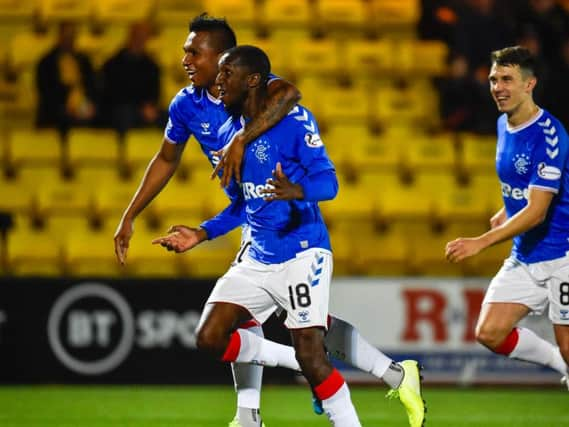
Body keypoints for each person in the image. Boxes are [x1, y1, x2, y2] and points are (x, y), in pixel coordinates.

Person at [114, 15, 425, 427]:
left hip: (297, 240)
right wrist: (139, 217)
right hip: (255, 227)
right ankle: (290, 396)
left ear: (231, 64)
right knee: (261, 333)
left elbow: (293, 103)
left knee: (309, 339)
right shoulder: (188, 104)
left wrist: (244, 141)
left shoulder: (267, 97)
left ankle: (269, 405)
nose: (185, 58)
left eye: (195, 51)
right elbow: (168, 159)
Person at [155, 44, 362, 427]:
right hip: (257, 258)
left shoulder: (295, 121)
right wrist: (201, 233)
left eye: (225, 75)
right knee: (209, 337)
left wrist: (296, 191)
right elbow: (242, 205)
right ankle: (268, 395)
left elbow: (329, 182)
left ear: (252, 80)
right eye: (217, 74)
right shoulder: (227, 132)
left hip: (302, 252)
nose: (218, 83)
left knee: (313, 359)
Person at [445, 46, 569, 389]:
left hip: (563, 256)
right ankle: (562, 364)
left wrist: (481, 242)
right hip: (526, 255)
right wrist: (505, 211)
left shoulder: (549, 134)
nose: (497, 87)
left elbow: (538, 210)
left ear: (529, 85)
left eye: (507, 80)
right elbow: (521, 184)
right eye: (493, 79)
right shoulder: (503, 124)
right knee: (490, 332)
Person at [100, 21, 164, 135]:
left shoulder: (152, 66)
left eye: (143, 37)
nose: (140, 41)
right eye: (138, 37)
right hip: (121, 109)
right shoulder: (113, 64)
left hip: (145, 110)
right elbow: (111, 94)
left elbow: (155, 92)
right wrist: (140, 108)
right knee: (124, 115)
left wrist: (150, 106)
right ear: (130, 36)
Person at [36, 20, 98, 134]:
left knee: (94, 114)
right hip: (57, 106)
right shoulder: (46, 62)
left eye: (72, 36)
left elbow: (92, 85)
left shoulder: (84, 60)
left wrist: (88, 104)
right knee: (63, 116)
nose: (69, 39)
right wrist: (67, 104)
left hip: (81, 104)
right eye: (66, 36)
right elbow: (45, 91)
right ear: (59, 36)